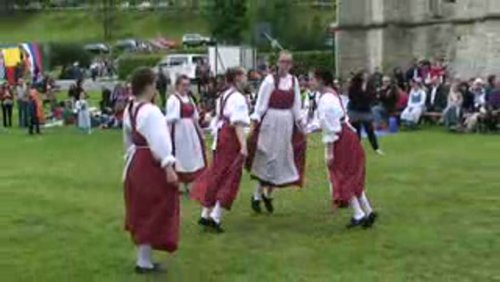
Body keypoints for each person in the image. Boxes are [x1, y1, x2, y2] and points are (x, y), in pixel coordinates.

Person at [122, 67, 179, 274]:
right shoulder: (151, 111)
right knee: (156, 207)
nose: (156, 88)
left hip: (136, 160)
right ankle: (143, 261)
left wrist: (130, 158)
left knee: (143, 208)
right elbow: (160, 142)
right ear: (148, 86)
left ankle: (144, 259)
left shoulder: (130, 108)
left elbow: (127, 140)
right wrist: (168, 166)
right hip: (150, 164)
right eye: (154, 84)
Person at [312, 68, 377, 228]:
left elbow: (330, 127)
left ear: (320, 80)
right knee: (351, 175)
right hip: (348, 135)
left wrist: (329, 151)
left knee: (342, 176)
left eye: (312, 79)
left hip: (341, 139)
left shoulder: (326, 99)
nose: (309, 82)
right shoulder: (332, 95)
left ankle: (359, 214)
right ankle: (366, 211)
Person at [246, 51, 307, 214]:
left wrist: (301, 125)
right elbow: (261, 105)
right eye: (282, 62)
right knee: (266, 158)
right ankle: (257, 195)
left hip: (286, 123)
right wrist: (254, 124)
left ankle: (266, 193)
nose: (285, 65)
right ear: (278, 63)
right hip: (271, 122)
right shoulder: (269, 80)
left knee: (280, 160)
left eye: (288, 62)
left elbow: (296, 106)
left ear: (291, 65)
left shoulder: (293, 81)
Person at [190, 67, 250, 233]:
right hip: (230, 138)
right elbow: (237, 123)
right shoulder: (237, 98)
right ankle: (215, 217)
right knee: (230, 176)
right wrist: (243, 146)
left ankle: (205, 214)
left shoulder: (224, 96)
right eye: (244, 76)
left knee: (217, 174)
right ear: (237, 78)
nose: (246, 79)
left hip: (221, 137)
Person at [166, 75, 206, 193]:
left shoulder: (189, 99)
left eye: (187, 85)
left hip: (191, 131)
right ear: (177, 86)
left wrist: (200, 132)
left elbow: (195, 118)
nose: (186, 88)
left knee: (191, 156)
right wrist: (167, 136)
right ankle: (179, 182)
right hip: (178, 131)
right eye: (183, 85)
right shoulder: (173, 99)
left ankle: (189, 182)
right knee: (180, 156)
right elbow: (169, 119)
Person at [347, 72, 383, 155]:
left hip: (365, 110)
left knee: (369, 130)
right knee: (356, 131)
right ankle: (356, 149)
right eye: (364, 76)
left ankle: (376, 148)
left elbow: (372, 96)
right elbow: (352, 97)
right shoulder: (354, 86)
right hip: (355, 110)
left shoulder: (370, 86)